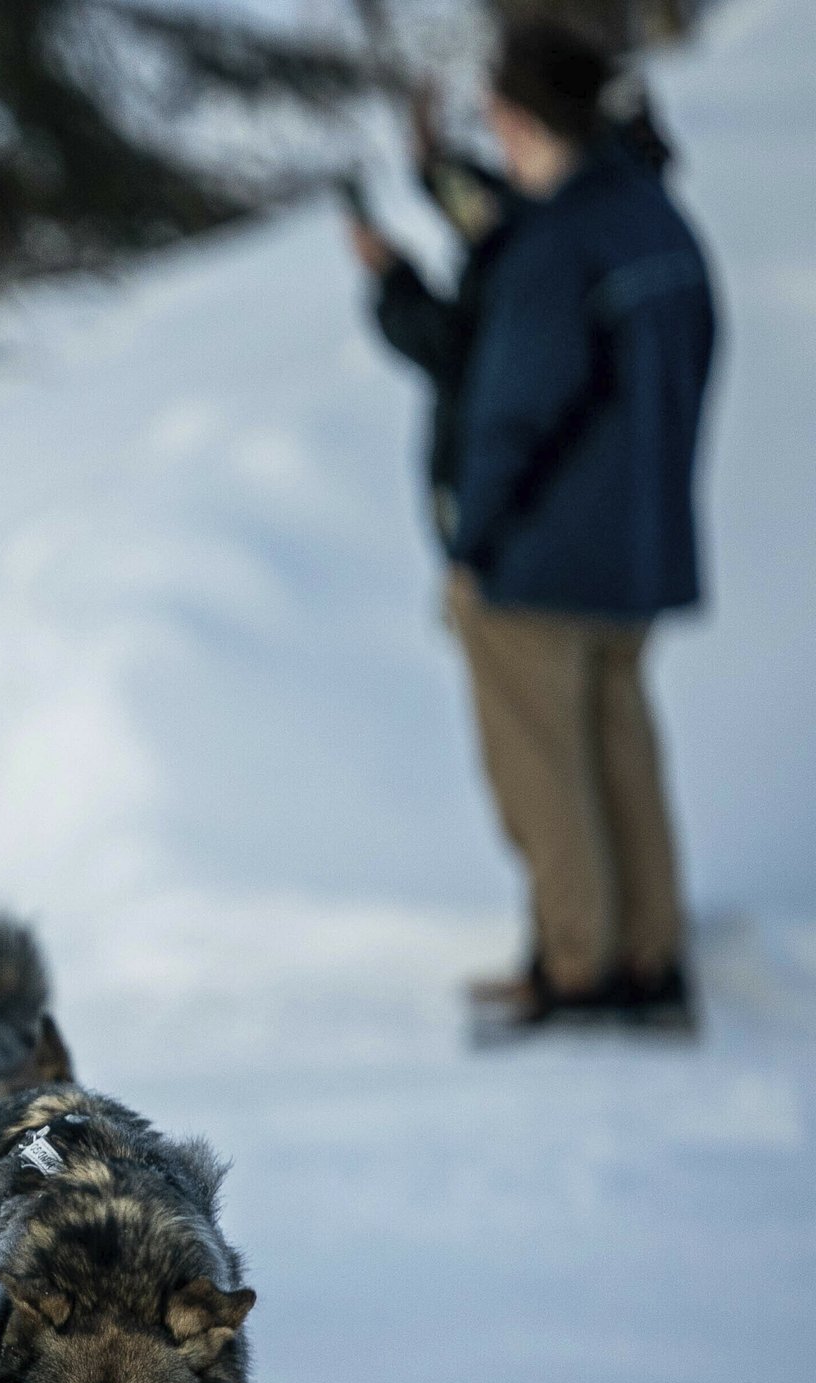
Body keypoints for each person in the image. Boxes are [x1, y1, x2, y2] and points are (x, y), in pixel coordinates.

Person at [349, 24, 714, 1035]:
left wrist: (475, 541)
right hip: (637, 546)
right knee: (620, 755)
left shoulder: (560, 242)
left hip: (541, 556)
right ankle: (648, 956)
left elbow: (513, 409)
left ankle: (578, 970)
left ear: (519, 116)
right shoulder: (652, 216)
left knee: (545, 775)